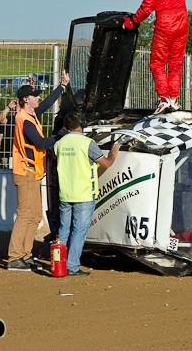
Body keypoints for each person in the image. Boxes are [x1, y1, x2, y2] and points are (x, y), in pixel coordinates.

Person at [6, 70, 69, 271]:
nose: (38, 97)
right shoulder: (23, 119)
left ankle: (25, 254)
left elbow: (48, 102)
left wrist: (62, 86)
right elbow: (40, 142)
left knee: (34, 216)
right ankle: (15, 256)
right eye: (35, 95)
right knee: (25, 214)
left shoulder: (30, 114)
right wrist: (62, 137)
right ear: (26, 99)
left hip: (31, 172)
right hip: (25, 172)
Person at [124, 0, 190, 114]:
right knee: (176, 62)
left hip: (165, 25)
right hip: (183, 22)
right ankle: (174, 99)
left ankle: (163, 100)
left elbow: (146, 9)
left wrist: (132, 22)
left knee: (158, 63)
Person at [54, 114, 120, 276]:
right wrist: (113, 155)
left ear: (66, 128)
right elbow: (106, 163)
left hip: (65, 193)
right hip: (83, 193)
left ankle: (58, 264)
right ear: (81, 126)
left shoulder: (59, 144)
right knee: (79, 231)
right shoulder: (87, 143)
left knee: (64, 229)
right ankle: (71, 266)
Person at [0, 99, 17, 168]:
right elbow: (0, 119)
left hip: (19, 154)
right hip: (7, 153)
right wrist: (9, 107)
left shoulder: (24, 119)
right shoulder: (9, 119)